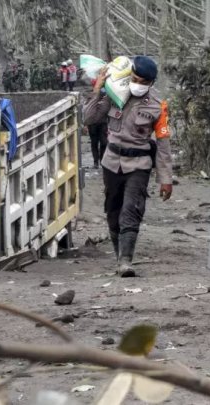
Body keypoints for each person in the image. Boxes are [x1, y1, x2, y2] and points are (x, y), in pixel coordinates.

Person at [82, 55, 173, 275]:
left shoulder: (158, 106)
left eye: (143, 82)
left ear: (151, 83)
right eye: (135, 79)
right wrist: (98, 90)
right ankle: (118, 254)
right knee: (112, 211)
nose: (138, 85)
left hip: (139, 164)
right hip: (111, 162)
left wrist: (166, 179)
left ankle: (126, 261)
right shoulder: (114, 96)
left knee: (131, 210)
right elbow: (89, 118)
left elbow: (163, 144)